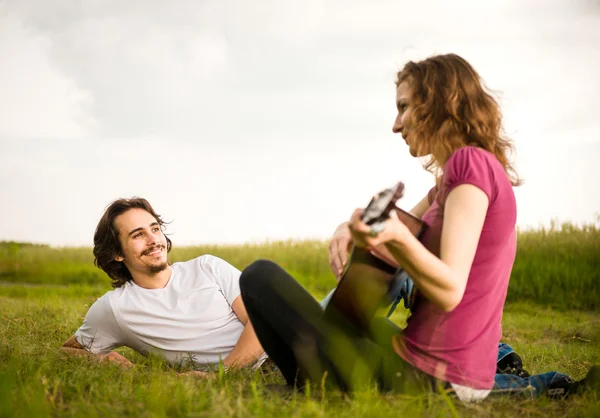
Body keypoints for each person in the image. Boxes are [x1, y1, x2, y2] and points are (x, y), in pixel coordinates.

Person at [239, 53, 598, 401]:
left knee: (259, 277)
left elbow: (450, 288)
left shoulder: (469, 164)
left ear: (441, 103)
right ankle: (312, 386)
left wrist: (395, 238)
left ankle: (312, 387)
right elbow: (395, 225)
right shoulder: (450, 183)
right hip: (431, 366)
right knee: (366, 326)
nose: (396, 124)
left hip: (433, 379)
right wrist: (350, 227)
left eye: (404, 107)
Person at [61, 197, 265, 376]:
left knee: (263, 271)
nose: (153, 240)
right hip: (277, 370)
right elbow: (66, 351)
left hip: (287, 340)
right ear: (117, 253)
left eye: (155, 229)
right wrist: (99, 360)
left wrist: (222, 372)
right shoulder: (116, 307)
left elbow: (261, 322)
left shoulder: (207, 267)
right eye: (138, 235)